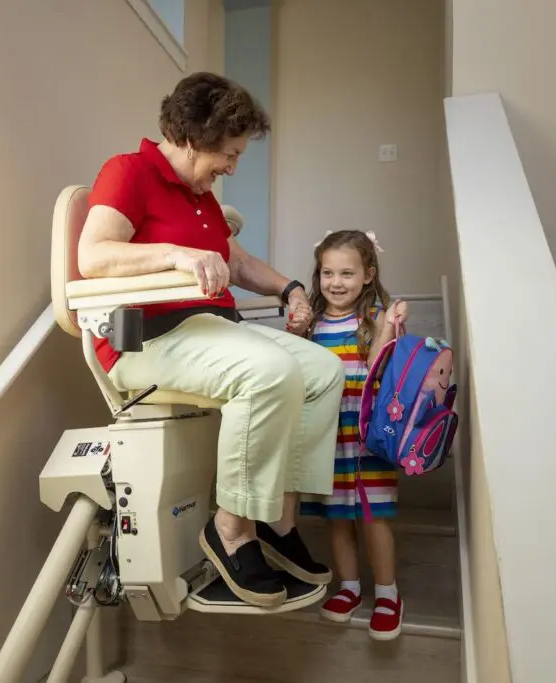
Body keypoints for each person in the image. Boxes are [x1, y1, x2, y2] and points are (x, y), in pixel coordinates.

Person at [77, 72, 344, 608]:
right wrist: (176, 254)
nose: (231, 166)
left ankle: (275, 521)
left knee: (322, 373)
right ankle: (230, 529)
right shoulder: (128, 172)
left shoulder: (203, 197)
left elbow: (236, 262)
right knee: (269, 372)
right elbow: (93, 255)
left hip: (213, 330)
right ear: (193, 136)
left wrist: (290, 286)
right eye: (229, 153)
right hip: (148, 338)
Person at [297, 229, 408, 641]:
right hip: (325, 433)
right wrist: (296, 329)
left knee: (373, 515)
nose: (336, 282)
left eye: (347, 272)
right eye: (327, 273)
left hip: (365, 433)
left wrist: (392, 323)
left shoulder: (374, 317)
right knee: (336, 517)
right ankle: (348, 587)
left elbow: (382, 361)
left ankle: (387, 593)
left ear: (368, 274)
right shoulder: (312, 320)